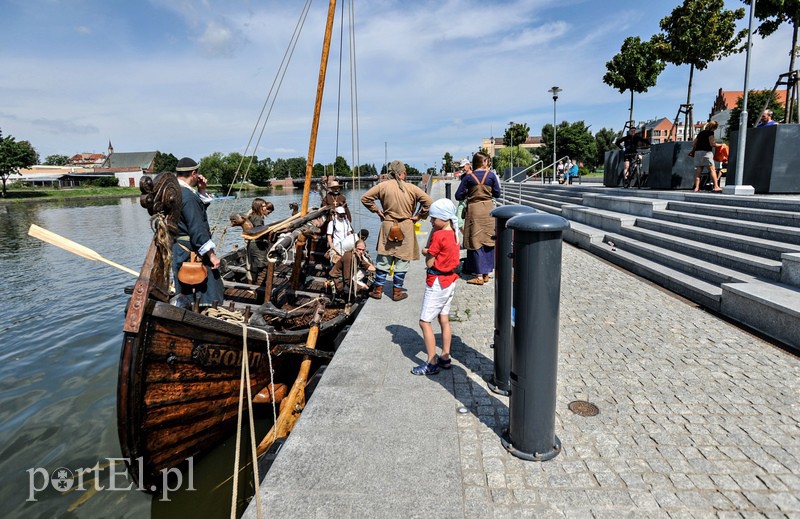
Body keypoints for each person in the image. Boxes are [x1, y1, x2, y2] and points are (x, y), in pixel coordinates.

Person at [361, 159, 432, 301]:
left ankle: (378, 290)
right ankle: (397, 292)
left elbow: (365, 198)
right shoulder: (412, 188)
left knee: (384, 258)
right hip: (405, 225)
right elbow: (428, 202)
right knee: (402, 258)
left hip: (388, 224)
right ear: (402, 173)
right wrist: (419, 216)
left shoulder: (383, 186)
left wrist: (378, 211)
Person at [411, 198, 460, 376]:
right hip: (450, 281)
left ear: (443, 218)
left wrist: (427, 251)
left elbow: (430, 263)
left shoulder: (438, 236)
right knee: (444, 319)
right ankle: (445, 357)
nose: (431, 221)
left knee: (424, 322)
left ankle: (431, 362)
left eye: (433, 218)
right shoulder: (453, 232)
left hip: (437, 282)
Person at [172, 157, 225, 308]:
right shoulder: (188, 196)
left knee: (185, 292)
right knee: (211, 291)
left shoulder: (176, 192)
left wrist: (202, 190)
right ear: (194, 173)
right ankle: (209, 318)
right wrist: (212, 255)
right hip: (191, 251)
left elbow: (191, 215)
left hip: (180, 249)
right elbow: (197, 228)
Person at [455, 151, 501, 285]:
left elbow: (458, 195)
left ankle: (479, 276)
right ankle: (486, 273)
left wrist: (469, 193)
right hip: (488, 210)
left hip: (474, 210)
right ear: (483, 162)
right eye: (487, 160)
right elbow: (497, 193)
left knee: (475, 240)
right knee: (488, 239)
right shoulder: (491, 176)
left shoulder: (468, 178)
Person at [245, 198, 274, 282]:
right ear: (258, 207)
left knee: (259, 268)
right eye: (264, 206)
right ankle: (261, 293)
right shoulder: (258, 218)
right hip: (257, 246)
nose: (265, 207)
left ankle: (259, 290)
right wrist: (271, 231)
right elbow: (259, 231)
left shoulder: (253, 216)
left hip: (253, 245)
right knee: (263, 270)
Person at [688, 120, 721, 192]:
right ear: (714, 127)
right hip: (706, 153)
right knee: (712, 170)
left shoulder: (701, 133)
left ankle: (696, 188)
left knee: (698, 171)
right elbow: (712, 144)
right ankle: (716, 186)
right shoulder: (710, 133)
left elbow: (693, 144)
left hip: (698, 153)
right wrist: (721, 145)